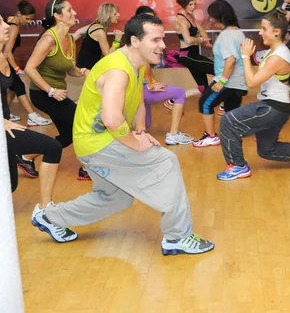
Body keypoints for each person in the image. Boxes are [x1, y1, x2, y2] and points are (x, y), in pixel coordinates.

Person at [31, 14, 214, 255]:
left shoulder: (134, 64)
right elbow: (111, 119)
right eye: (156, 40)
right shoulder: (118, 69)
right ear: (135, 41)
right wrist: (135, 144)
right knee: (166, 161)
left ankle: (49, 217)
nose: (162, 45)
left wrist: (139, 130)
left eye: (163, 39)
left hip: (95, 141)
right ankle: (177, 236)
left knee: (115, 198)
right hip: (98, 143)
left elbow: (137, 98)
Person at [217, 10, 290, 181]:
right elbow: (255, 74)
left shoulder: (279, 56)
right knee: (267, 150)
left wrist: (245, 56)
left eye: (264, 29)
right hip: (275, 107)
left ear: (276, 32)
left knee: (228, 121)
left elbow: (252, 83)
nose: (260, 32)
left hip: (272, 108)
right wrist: (246, 58)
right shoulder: (273, 52)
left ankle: (237, 166)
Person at [1, 14, 67, 220]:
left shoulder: (3, 57)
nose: (6, 26)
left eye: (4, 21)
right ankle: (44, 208)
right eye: (0, 23)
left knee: (10, 184)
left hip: (7, 127)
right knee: (52, 147)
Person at [24, 0, 91, 181]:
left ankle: (26, 157)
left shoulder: (70, 38)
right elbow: (29, 68)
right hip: (43, 94)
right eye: (69, 10)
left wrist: (85, 72)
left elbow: (70, 70)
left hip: (56, 95)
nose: (74, 13)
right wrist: (50, 90)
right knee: (82, 122)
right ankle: (87, 168)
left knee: (69, 135)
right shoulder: (48, 39)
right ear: (58, 15)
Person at [194, 0, 247, 147]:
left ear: (220, 17)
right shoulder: (236, 32)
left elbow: (230, 60)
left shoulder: (227, 35)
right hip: (239, 83)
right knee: (231, 111)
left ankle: (211, 136)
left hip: (228, 82)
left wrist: (222, 81)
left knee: (204, 103)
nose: (210, 20)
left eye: (212, 16)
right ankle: (233, 135)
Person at [2, 0, 53, 127]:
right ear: (19, 13)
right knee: (19, 86)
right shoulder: (13, 26)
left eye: (31, 19)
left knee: (13, 89)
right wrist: (17, 69)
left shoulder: (10, 21)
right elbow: (7, 52)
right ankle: (32, 116)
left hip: (4, 61)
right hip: (5, 61)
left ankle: (4, 113)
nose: (28, 22)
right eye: (27, 18)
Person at [174, 0, 213, 92]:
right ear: (183, 4)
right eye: (190, 4)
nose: (193, 7)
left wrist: (206, 41)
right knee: (218, 70)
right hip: (187, 55)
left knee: (203, 87)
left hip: (193, 54)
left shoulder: (190, 16)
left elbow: (201, 30)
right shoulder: (181, 19)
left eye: (195, 4)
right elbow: (188, 40)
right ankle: (223, 102)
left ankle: (172, 101)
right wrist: (202, 39)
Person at [76, 2, 123, 70]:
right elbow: (108, 56)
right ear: (108, 16)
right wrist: (117, 40)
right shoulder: (99, 31)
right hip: (87, 70)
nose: (118, 15)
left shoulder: (96, 25)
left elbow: (79, 31)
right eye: (115, 13)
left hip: (87, 67)